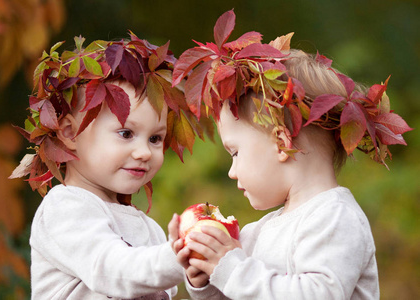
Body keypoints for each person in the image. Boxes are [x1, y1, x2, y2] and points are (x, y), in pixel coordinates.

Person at [168, 10, 412, 299]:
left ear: (282, 142)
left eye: (235, 152)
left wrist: (231, 269)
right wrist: (205, 278)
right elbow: (241, 292)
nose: (232, 171)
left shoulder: (335, 218)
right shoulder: (258, 232)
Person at [10, 34, 209, 299]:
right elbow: (111, 270)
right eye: (126, 133)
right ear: (70, 133)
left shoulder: (149, 228)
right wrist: (177, 256)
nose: (144, 152)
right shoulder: (65, 207)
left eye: (155, 138)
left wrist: (199, 276)